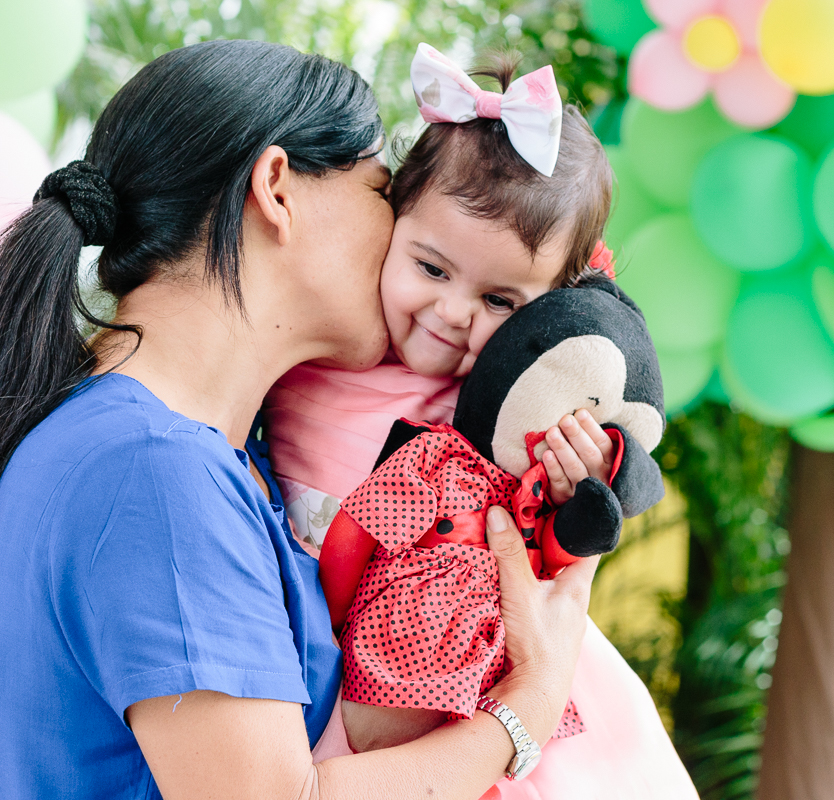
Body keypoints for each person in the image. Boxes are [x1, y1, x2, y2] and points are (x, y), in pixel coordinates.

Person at [0, 39, 597, 800]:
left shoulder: (185, 450)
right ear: (277, 187)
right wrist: (529, 705)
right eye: (383, 194)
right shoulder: (151, 468)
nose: (402, 243)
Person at [264, 44, 699, 797]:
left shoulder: (504, 407)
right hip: (327, 655)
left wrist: (582, 474)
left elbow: (591, 492)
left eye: (502, 302)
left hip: (473, 669)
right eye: (430, 269)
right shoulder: (319, 338)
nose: (453, 314)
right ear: (390, 221)